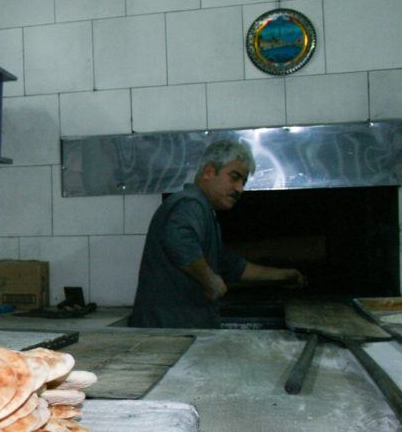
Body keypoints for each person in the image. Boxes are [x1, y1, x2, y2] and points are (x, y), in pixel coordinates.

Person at [129, 138, 305, 329]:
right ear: (209, 172)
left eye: (243, 182)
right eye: (234, 177)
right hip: (167, 332)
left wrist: (282, 275)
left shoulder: (204, 212)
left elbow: (230, 265)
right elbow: (179, 240)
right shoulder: (190, 203)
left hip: (180, 329)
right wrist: (209, 279)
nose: (240, 189)